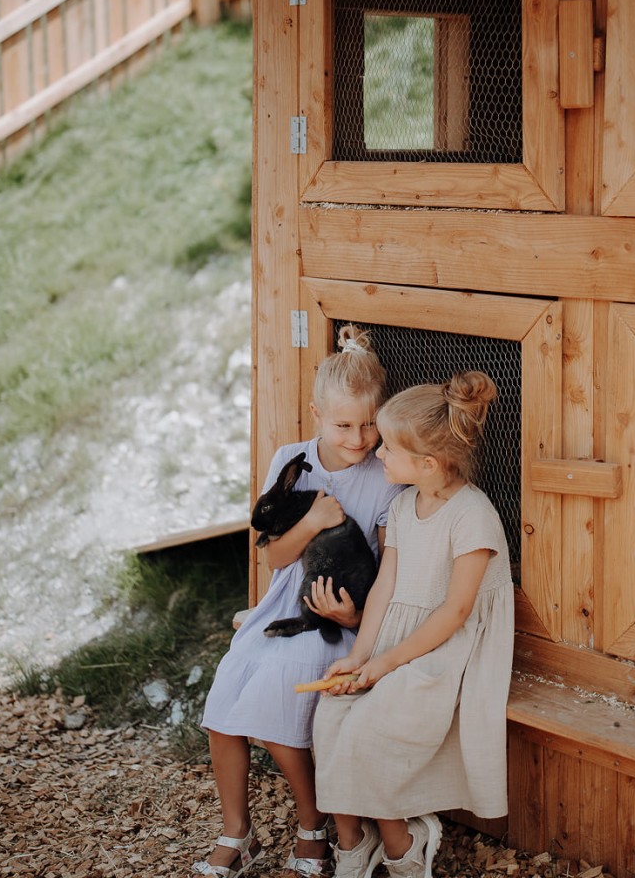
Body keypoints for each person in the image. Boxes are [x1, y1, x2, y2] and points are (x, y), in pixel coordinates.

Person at [195, 326, 404, 878]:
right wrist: (312, 519)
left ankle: (313, 827)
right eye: (343, 425)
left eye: (368, 425)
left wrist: (354, 618)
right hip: (285, 602)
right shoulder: (291, 459)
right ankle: (237, 832)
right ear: (315, 412)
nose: (358, 439)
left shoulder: (386, 476)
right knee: (226, 700)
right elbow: (275, 560)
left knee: (276, 706)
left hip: (339, 615)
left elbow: (383, 574)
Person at [312, 371, 514, 878]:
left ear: (426, 463)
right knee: (331, 715)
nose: (376, 452)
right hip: (393, 642)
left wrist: (383, 664)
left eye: (388, 449)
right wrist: (360, 656)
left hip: (443, 650)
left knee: (369, 729)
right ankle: (353, 841)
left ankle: (404, 845)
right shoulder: (403, 505)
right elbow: (385, 587)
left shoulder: (474, 516)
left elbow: (455, 612)